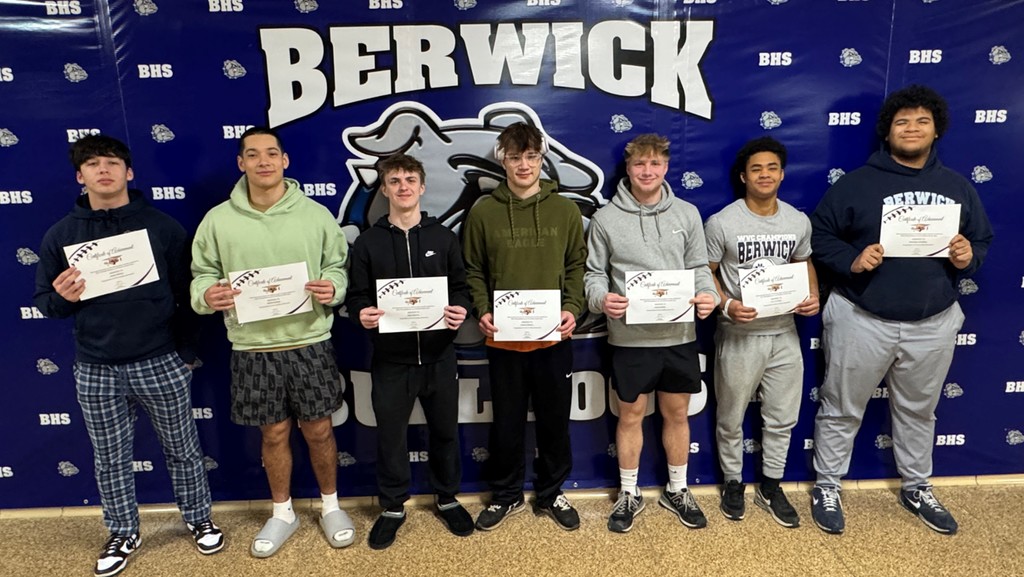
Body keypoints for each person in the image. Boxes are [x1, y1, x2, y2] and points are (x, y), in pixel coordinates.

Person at [34, 135, 223, 577]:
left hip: (160, 361)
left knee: (183, 450)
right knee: (110, 458)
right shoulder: (60, 235)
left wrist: (185, 353)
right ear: (79, 176)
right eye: (93, 164)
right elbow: (47, 304)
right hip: (95, 368)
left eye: (112, 162)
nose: (104, 170)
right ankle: (122, 531)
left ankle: (199, 518)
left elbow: (189, 296)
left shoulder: (162, 227)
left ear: (129, 172)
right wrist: (62, 298)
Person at [809, 85, 993, 535]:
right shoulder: (857, 183)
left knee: (919, 411)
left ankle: (916, 486)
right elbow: (819, 235)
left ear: (936, 130)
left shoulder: (957, 187)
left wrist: (968, 256)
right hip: (861, 318)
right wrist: (852, 260)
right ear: (887, 131)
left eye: (921, 121)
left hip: (933, 321)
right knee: (841, 407)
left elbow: (981, 240)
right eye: (902, 122)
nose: (912, 129)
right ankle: (827, 485)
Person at [190, 126, 352, 556]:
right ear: (240, 163)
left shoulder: (315, 215)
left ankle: (331, 506)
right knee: (274, 434)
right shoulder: (217, 220)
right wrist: (207, 295)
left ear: (285, 161)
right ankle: (283, 513)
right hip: (253, 348)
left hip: (310, 341)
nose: (263, 161)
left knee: (319, 430)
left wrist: (333, 288)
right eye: (252, 154)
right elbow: (202, 276)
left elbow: (338, 267)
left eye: (271, 153)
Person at [584, 133, 718, 533]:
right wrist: (601, 299)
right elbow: (593, 274)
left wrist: (709, 295)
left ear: (666, 167)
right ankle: (629, 492)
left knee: (677, 413)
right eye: (640, 164)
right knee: (630, 416)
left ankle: (677, 489)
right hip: (630, 339)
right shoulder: (606, 219)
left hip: (679, 336)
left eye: (655, 163)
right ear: (628, 168)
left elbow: (699, 268)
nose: (647, 171)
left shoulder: (687, 214)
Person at [462, 122, 587, 531]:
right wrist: (482, 309)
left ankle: (551, 492)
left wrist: (572, 307)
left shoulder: (565, 210)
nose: (523, 165)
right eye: (515, 157)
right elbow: (473, 270)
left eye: (531, 156)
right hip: (504, 341)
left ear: (541, 159)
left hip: (553, 340)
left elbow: (576, 266)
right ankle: (506, 494)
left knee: (555, 422)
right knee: (506, 423)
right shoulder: (484, 212)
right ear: (503, 160)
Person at [346, 153, 475, 549]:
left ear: (422, 187)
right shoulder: (368, 242)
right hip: (391, 360)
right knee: (390, 437)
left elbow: (462, 288)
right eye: (394, 181)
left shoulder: (443, 237)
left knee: (445, 433)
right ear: (385, 189)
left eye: (410, 180)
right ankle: (392, 507)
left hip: (440, 356)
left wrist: (460, 309)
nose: (403, 187)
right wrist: (362, 313)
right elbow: (357, 296)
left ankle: (448, 498)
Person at [704, 136, 819, 529]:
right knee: (730, 417)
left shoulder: (797, 221)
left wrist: (813, 294)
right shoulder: (722, 222)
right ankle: (733, 483)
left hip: (784, 332)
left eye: (772, 168)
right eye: (756, 169)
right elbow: (705, 271)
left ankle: (771, 485)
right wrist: (725, 305)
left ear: (782, 174)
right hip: (739, 334)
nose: (765, 175)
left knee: (782, 417)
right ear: (743, 177)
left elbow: (804, 261)